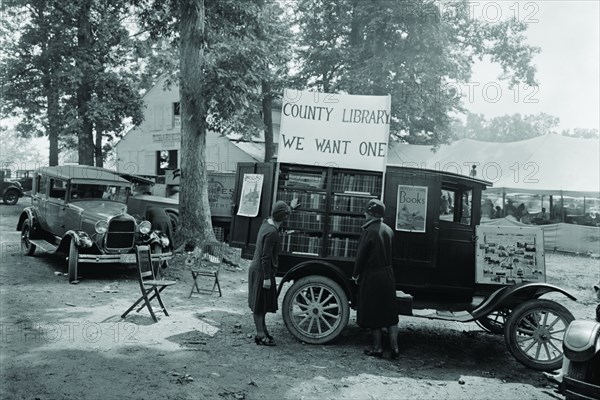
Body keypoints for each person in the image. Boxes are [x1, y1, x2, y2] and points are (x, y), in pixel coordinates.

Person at [352, 199, 400, 359]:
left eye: (366, 211)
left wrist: (355, 274)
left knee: (374, 313)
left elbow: (361, 256)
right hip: (388, 274)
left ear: (372, 214)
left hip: (372, 275)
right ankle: (394, 347)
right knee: (390, 313)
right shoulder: (388, 230)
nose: (364, 214)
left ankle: (377, 348)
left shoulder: (368, 231)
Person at [248, 199, 298, 346]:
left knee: (261, 304)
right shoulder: (272, 233)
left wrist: (290, 208)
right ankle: (260, 335)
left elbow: (278, 214)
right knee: (259, 305)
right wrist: (267, 278)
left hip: (257, 270)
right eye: (286, 216)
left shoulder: (266, 223)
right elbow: (265, 256)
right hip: (263, 272)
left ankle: (262, 331)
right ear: (283, 218)